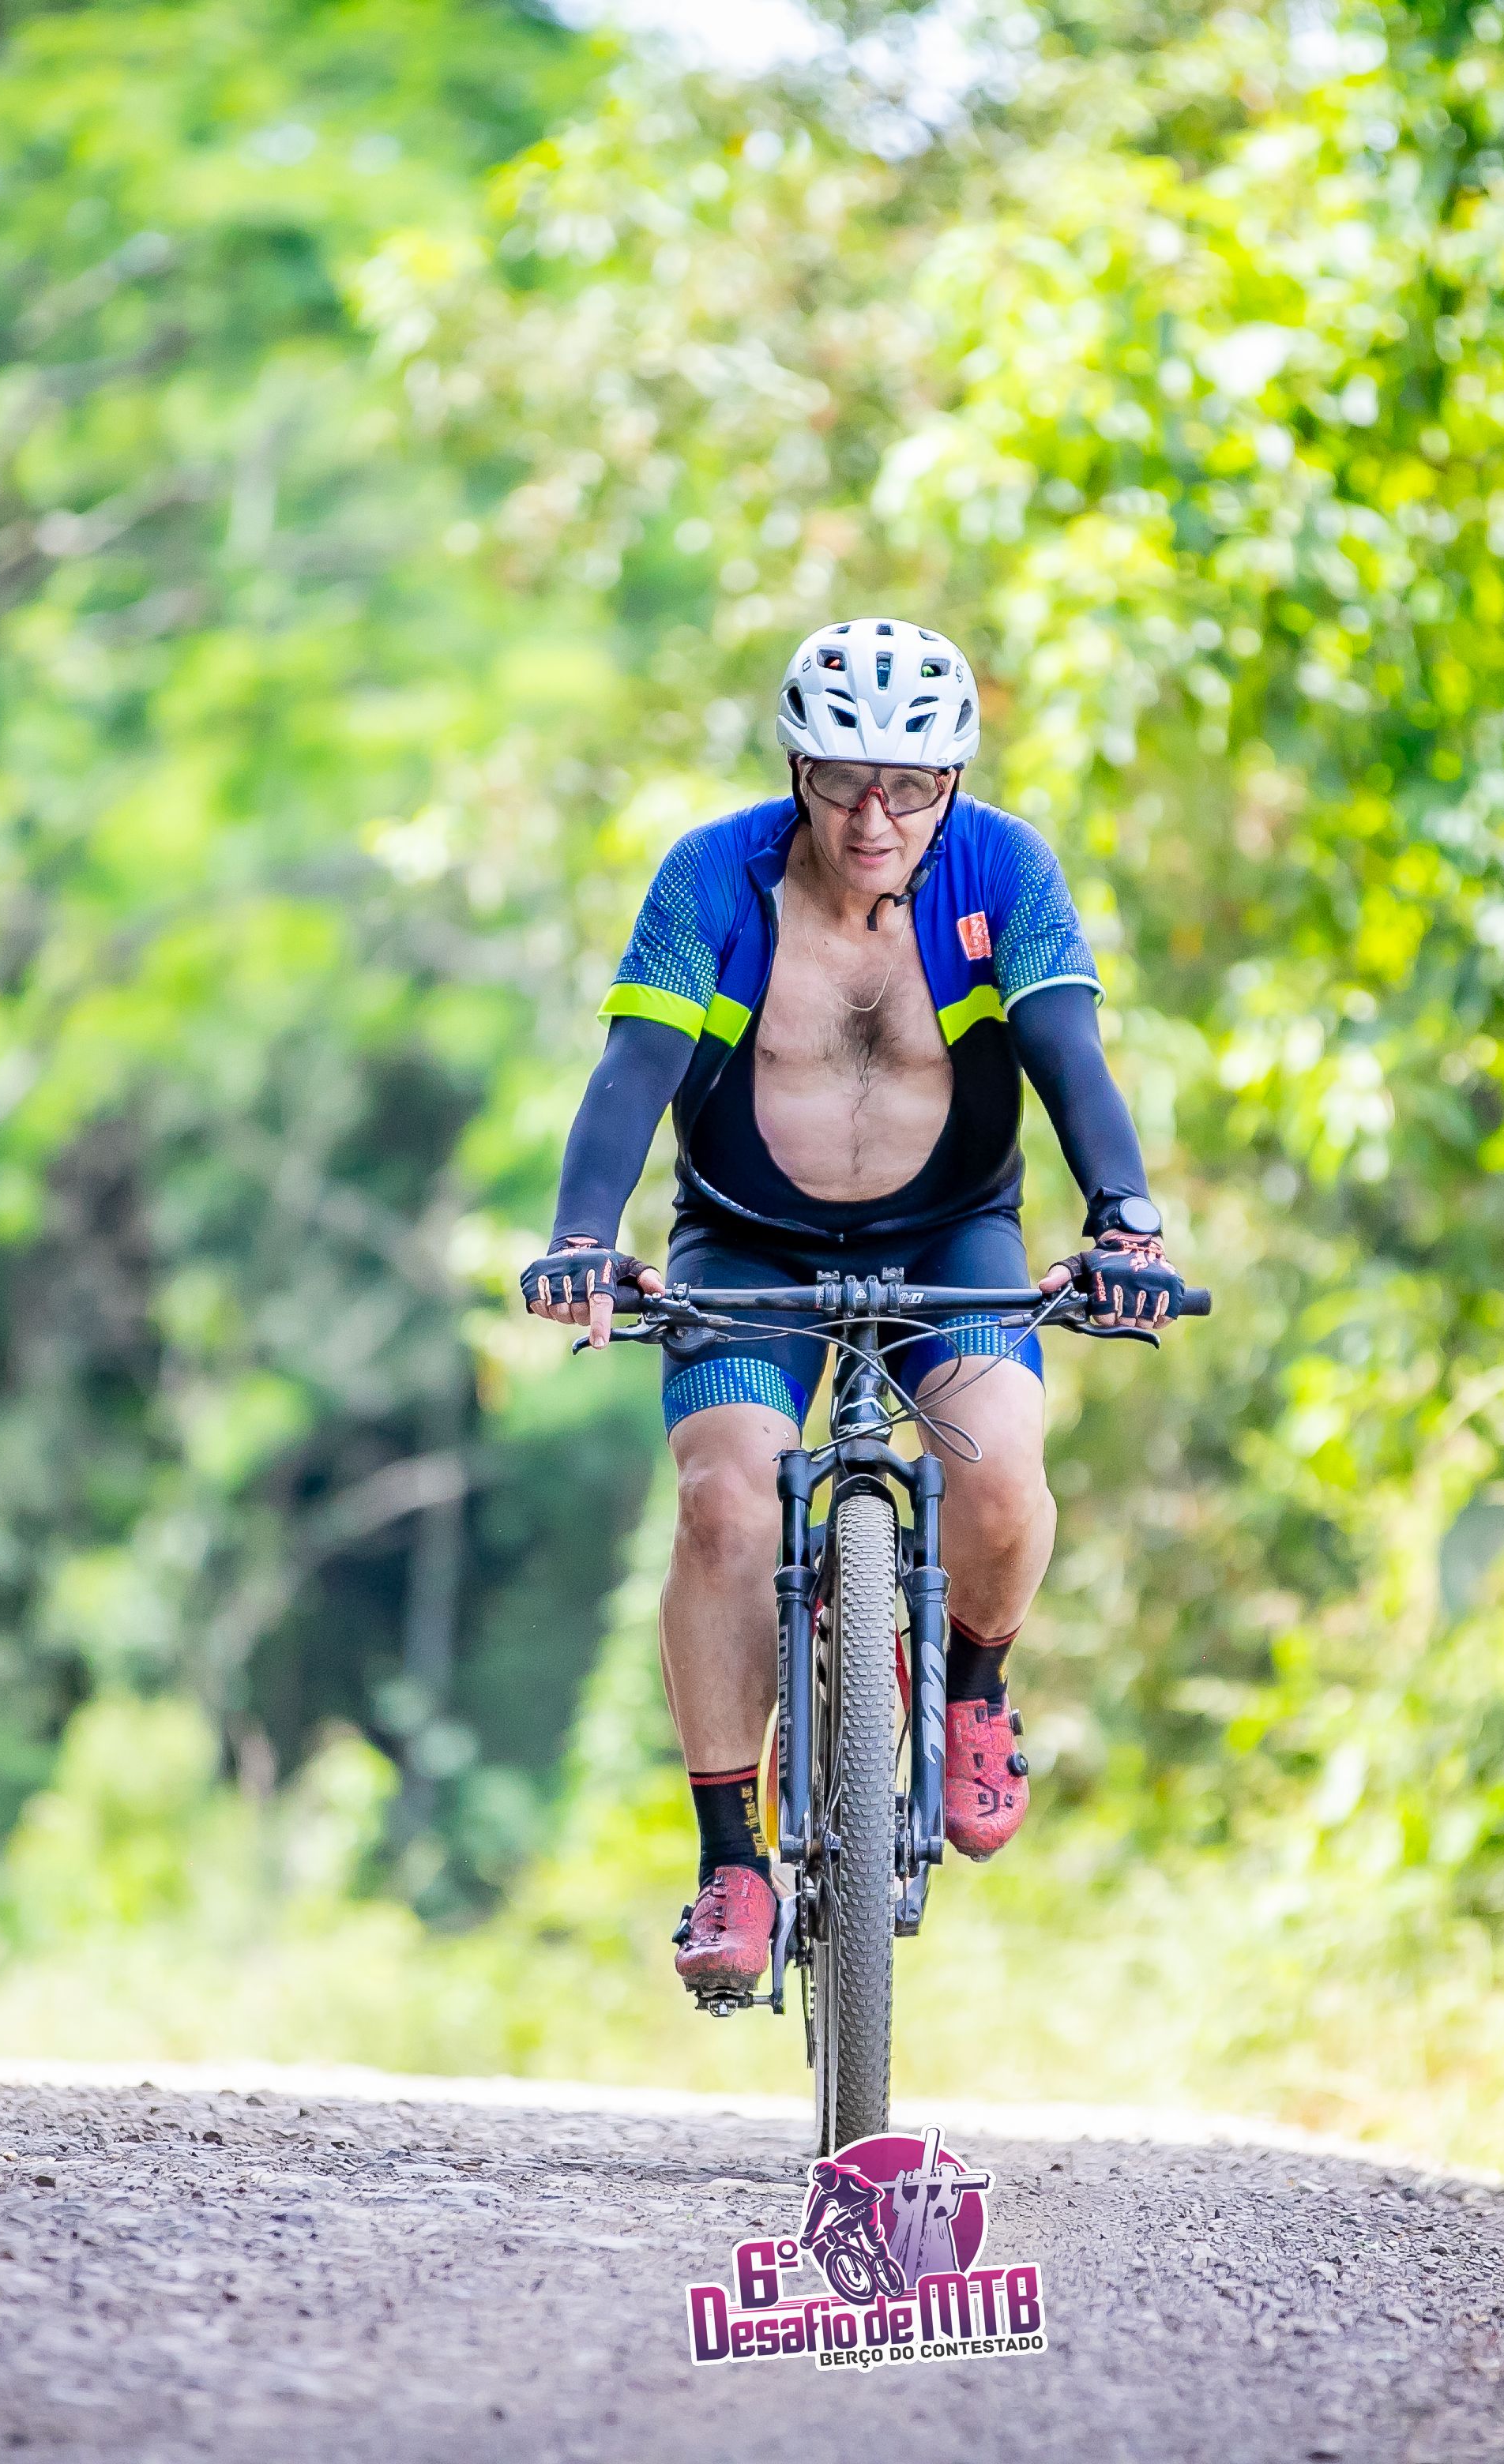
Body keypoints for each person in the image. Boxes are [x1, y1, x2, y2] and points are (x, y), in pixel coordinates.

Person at [519, 618, 1183, 2007]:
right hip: (747, 1243)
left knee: (1000, 1467)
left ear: (954, 781)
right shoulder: (715, 876)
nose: (875, 819)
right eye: (841, 782)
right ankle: (732, 1863)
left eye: (910, 786)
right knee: (724, 1503)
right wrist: (584, 1238)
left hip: (951, 1231)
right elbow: (633, 1072)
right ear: (795, 769)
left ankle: (973, 1693)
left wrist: (1124, 1221)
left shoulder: (1003, 868)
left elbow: (1069, 1056)